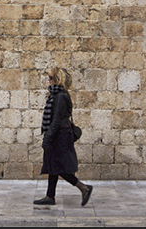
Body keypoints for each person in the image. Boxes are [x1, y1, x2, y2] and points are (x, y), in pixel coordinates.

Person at [33, 67, 93, 207]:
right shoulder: (56, 95)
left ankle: (83, 187)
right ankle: (50, 196)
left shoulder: (60, 97)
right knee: (53, 165)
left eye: (50, 78)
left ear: (57, 80)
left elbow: (57, 120)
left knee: (58, 167)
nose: (48, 80)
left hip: (59, 136)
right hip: (58, 134)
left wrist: (47, 138)